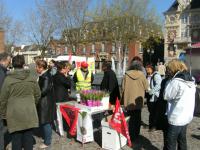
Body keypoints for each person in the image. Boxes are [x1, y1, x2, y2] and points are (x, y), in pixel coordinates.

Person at [0, 55, 41, 150]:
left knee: (16, 141)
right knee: (28, 139)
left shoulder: (8, 80)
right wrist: (32, 104)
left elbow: (3, 99)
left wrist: (3, 115)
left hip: (14, 114)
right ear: (23, 64)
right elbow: (38, 95)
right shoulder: (32, 78)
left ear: (12, 64)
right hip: (29, 112)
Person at [164, 59, 196, 150]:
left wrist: (169, 81)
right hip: (186, 116)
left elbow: (166, 95)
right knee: (182, 140)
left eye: (169, 69)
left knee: (171, 143)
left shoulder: (176, 81)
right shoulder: (191, 79)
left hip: (176, 117)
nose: (168, 71)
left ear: (174, 68)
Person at [121, 60, 149, 141]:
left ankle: (130, 134)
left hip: (128, 100)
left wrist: (122, 100)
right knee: (137, 117)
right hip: (138, 101)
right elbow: (147, 87)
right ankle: (136, 134)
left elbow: (122, 88)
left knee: (129, 118)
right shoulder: (142, 75)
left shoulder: (126, 75)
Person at [36, 60, 54, 149]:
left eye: (37, 67)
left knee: (45, 122)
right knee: (46, 122)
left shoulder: (46, 76)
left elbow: (44, 90)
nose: (36, 68)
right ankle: (47, 138)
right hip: (46, 102)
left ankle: (47, 142)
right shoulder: (44, 75)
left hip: (45, 103)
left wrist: (35, 93)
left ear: (41, 68)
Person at [145, 65, 162, 131]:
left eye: (148, 69)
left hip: (154, 96)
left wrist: (151, 91)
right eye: (146, 69)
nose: (147, 70)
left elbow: (159, 85)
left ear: (152, 69)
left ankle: (154, 126)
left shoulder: (156, 75)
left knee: (154, 111)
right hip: (149, 95)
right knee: (150, 111)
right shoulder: (148, 76)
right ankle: (151, 125)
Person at [0, 52, 11, 150]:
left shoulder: (4, 71)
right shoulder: (2, 72)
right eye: (9, 61)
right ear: (4, 60)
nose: (10, 63)